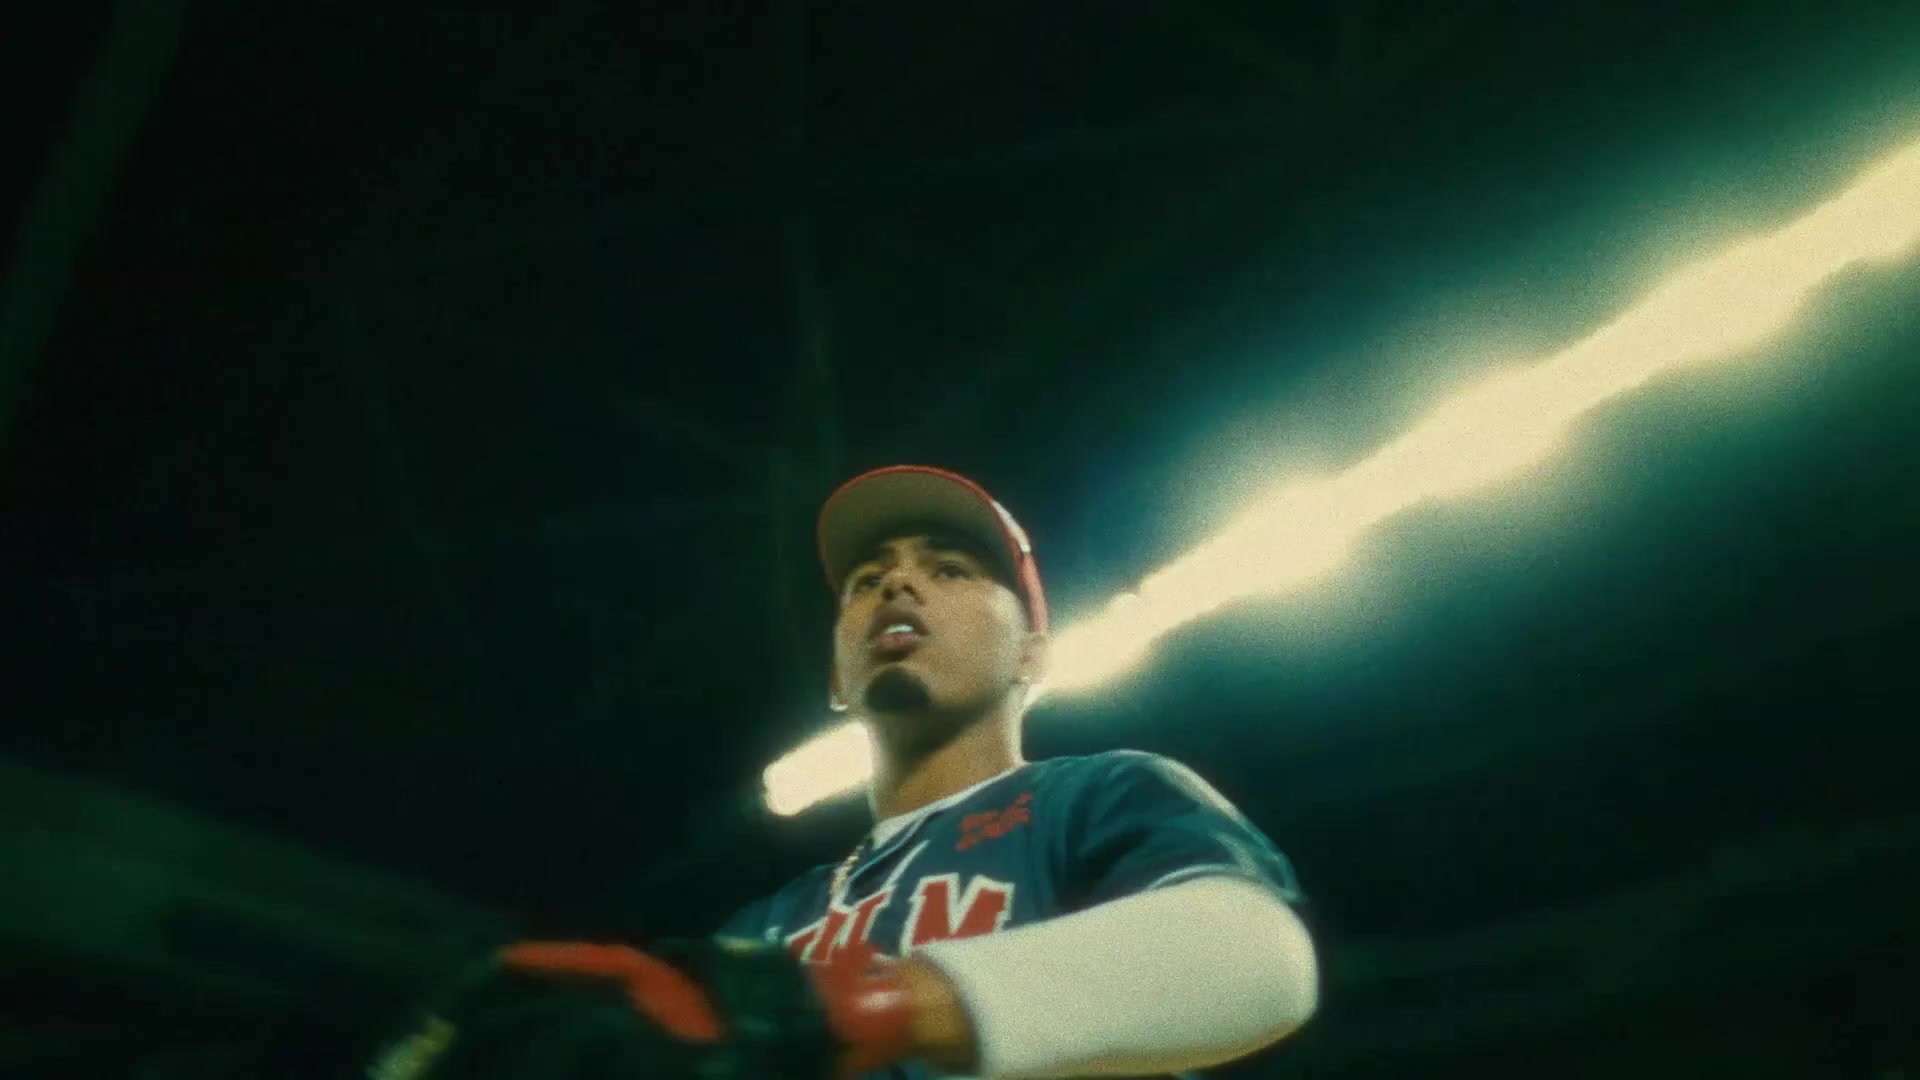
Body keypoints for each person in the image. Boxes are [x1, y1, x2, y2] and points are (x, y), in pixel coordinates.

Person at [368, 466, 1319, 1080]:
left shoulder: (1096, 794)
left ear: (1033, 652)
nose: (898, 583)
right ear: (836, 678)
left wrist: (862, 1005)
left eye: (951, 569)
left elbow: (1258, 959)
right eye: (867, 580)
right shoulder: (759, 928)